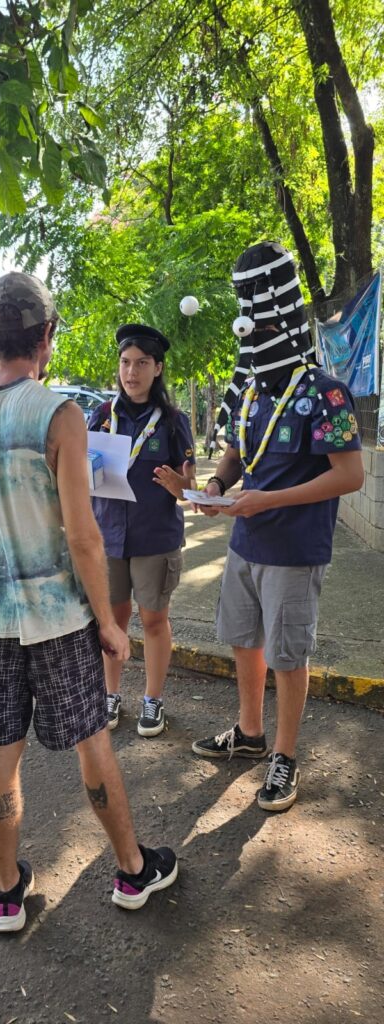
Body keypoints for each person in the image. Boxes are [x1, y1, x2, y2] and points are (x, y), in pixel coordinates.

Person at [0, 272, 178, 932]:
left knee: (1, 750)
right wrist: (108, 623)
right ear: (46, 336)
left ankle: (6, 892)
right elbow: (83, 534)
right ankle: (132, 872)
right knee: (92, 744)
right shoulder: (59, 413)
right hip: (60, 618)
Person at [156, 241, 364, 812]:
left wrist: (269, 499)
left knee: (288, 653)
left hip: (295, 549)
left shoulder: (326, 391)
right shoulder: (245, 389)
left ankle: (285, 757)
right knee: (244, 641)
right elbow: (233, 456)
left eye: (259, 310)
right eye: (244, 307)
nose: (248, 325)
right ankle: (249, 736)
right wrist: (213, 489)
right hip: (244, 541)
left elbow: (350, 476)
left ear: (283, 312)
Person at [87, 325, 195, 737]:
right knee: (113, 619)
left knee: (153, 619)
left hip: (155, 538)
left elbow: (191, 486)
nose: (131, 372)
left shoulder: (172, 421)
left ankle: (153, 699)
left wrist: (178, 486)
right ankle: (110, 694)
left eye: (142, 364)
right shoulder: (100, 415)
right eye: (125, 362)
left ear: (158, 368)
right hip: (108, 536)